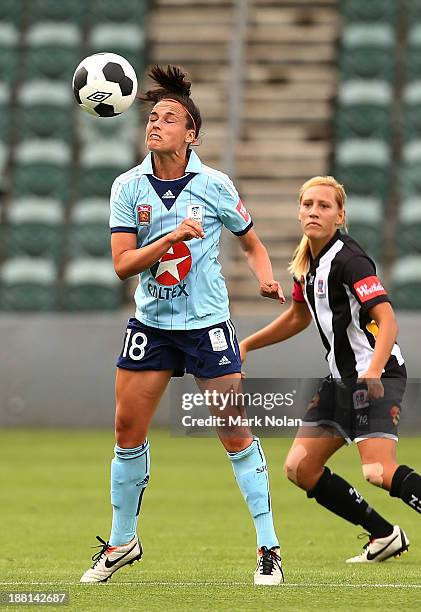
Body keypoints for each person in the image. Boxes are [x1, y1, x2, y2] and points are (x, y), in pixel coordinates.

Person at [80, 65, 285, 585]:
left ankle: (268, 547)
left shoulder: (215, 184)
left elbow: (252, 242)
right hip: (151, 323)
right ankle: (123, 541)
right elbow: (123, 265)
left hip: (206, 324)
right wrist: (169, 243)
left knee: (233, 432)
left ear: (190, 133)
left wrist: (265, 278)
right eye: (152, 117)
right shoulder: (127, 186)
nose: (156, 124)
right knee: (127, 431)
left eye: (169, 118)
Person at [240, 175, 421, 563]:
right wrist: (247, 344)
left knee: (376, 470)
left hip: (377, 374)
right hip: (340, 381)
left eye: (324, 206)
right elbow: (298, 318)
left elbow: (387, 321)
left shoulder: (350, 260)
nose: (314, 211)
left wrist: (372, 370)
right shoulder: (305, 261)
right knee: (300, 468)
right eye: (308, 204)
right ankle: (384, 535)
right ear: (299, 211)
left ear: (340, 215)